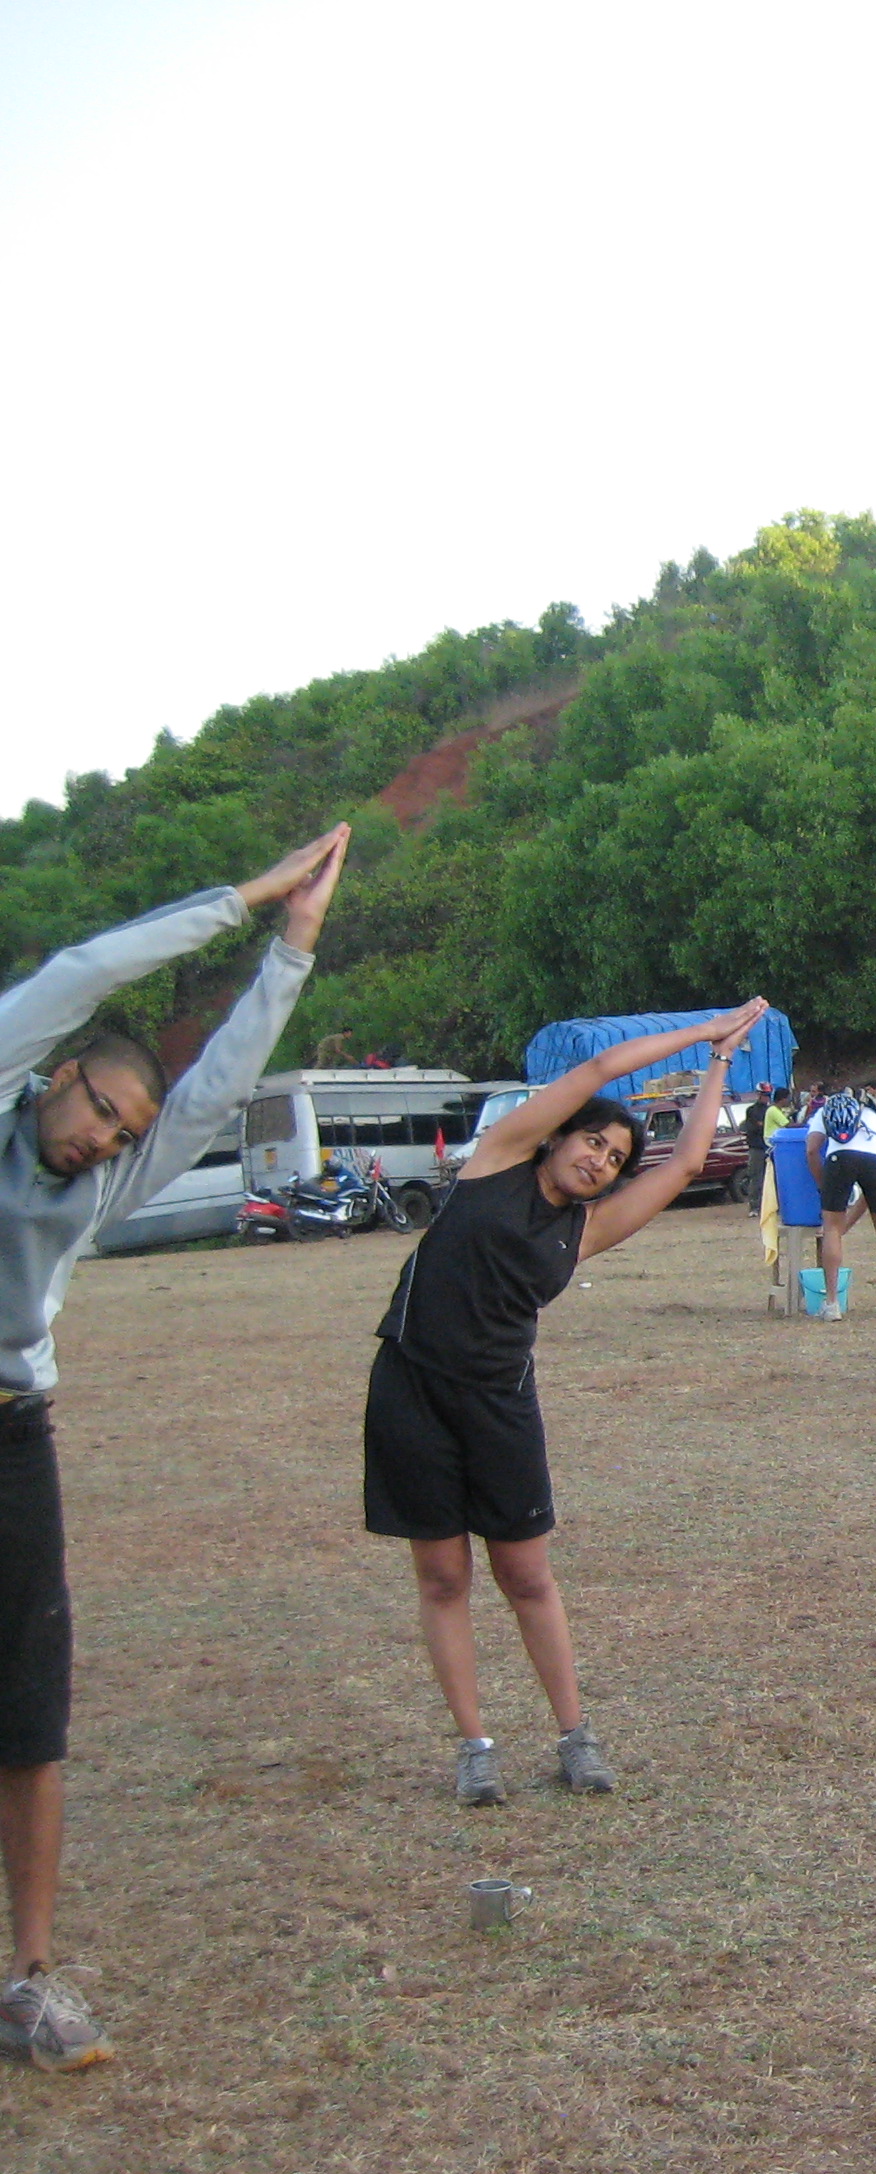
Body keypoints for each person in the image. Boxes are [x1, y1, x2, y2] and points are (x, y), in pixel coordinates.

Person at [2, 827, 353, 2071]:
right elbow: (78, 975)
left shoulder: (103, 1190)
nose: (102, 1135)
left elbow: (212, 1092)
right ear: (53, 1081)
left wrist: (292, 951)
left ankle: (31, 1980)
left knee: (32, 1714)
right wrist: (243, 895)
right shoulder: (3, 1088)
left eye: (121, 1127)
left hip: (12, 1438)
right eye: (96, 1105)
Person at [369, 1002, 768, 1809]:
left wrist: (724, 1059)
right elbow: (598, 1073)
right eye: (592, 1140)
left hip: (499, 1404)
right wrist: (701, 1030)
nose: (600, 1160)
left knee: (525, 1574)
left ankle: (575, 1738)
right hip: (412, 1386)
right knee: (443, 1576)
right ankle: (475, 1748)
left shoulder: (583, 1230)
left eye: (616, 1157)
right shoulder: (497, 1158)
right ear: (556, 1136)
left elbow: (688, 1161)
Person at [809, 1079, 876, 1319]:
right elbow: (867, 1197)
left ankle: (832, 1303)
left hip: (838, 1160)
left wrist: (823, 1184)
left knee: (830, 1229)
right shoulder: (872, 1115)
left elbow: (811, 1150)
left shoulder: (823, 1111)